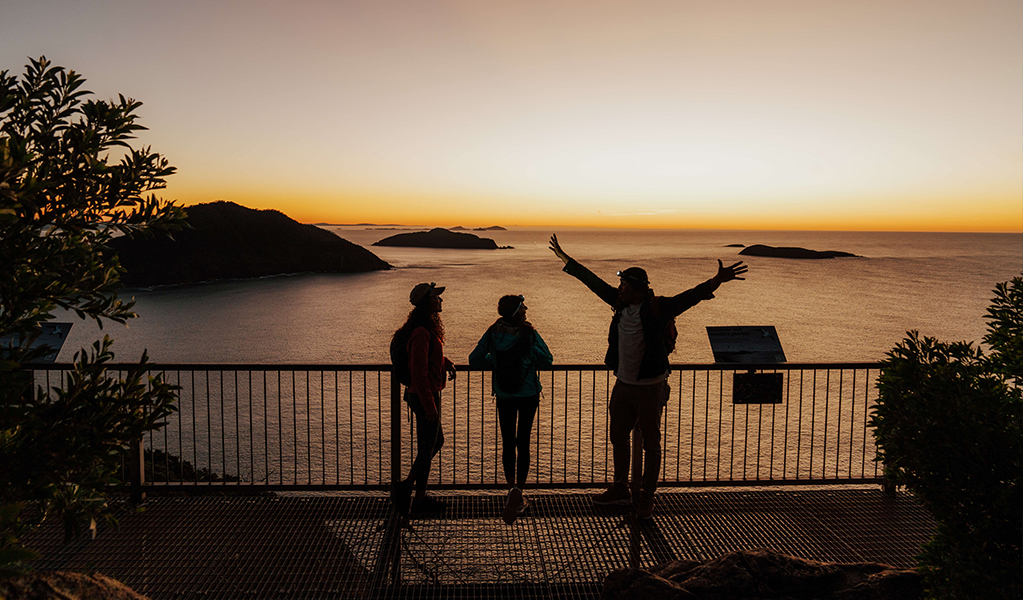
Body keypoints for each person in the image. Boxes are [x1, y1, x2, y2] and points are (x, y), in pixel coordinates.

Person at [549, 234, 747, 519]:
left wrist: (718, 280)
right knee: (618, 436)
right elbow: (591, 281)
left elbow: (691, 297)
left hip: (650, 388)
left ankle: (646, 496)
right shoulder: (619, 304)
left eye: (623, 284)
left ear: (637, 289)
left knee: (652, 445)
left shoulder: (658, 309)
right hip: (623, 385)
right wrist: (565, 258)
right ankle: (620, 489)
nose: (619, 288)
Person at [469, 294, 554, 525]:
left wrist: (495, 362)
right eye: (523, 306)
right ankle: (520, 491)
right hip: (527, 394)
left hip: (504, 395)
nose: (526, 308)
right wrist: (530, 361)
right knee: (523, 441)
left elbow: (474, 359)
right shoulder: (528, 333)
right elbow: (548, 360)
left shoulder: (493, 332)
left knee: (508, 442)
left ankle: (509, 487)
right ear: (518, 310)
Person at [391, 282, 457, 516]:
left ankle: (408, 488)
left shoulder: (423, 328)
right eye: (436, 298)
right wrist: (430, 406)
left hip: (424, 394)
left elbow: (427, 357)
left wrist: (444, 362)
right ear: (426, 302)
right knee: (429, 445)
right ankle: (417, 499)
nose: (440, 300)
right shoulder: (420, 332)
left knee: (433, 444)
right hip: (423, 396)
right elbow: (418, 370)